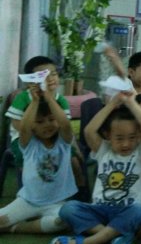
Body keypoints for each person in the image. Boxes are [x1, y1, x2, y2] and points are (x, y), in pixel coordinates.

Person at [52, 91, 141, 244]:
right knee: (68, 209)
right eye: (119, 138)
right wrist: (112, 104)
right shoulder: (103, 149)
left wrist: (130, 102)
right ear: (108, 136)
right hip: (99, 209)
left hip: (126, 209)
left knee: (139, 210)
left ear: (139, 136)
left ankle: (86, 243)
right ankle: (113, 236)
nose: (126, 144)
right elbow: (89, 131)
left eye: (132, 137)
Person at [4, 56, 85, 198]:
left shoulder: (61, 100)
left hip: (53, 137)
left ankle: (80, 191)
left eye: (53, 74)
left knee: (74, 161)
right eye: (43, 76)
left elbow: (64, 126)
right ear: (31, 81)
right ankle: (28, 192)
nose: (51, 79)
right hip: (25, 139)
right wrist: (37, 135)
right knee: (28, 162)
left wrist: (74, 146)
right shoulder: (23, 97)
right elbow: (16, 123)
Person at [0, 86, 76, 235]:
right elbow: (24, 128)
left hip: (57, 202)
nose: (47, 125)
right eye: (39, 122)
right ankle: (14, 224)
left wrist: (49, 98)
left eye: (51, 119)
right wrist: (34, 101)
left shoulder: (63, 143)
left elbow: (66, 124)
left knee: (62, 221)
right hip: (28, 201)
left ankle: (16, 228)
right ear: (32, 126)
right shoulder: (29, 145)